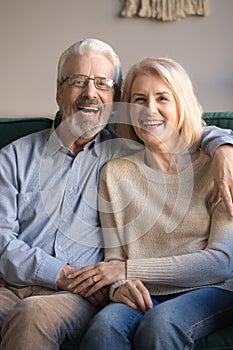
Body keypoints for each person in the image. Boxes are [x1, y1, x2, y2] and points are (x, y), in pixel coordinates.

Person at [0, 39, 232, 350]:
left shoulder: (128, 153)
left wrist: (224, 146)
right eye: (77, 82)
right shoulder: (15, 157)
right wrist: (71, 275)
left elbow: (177, 128)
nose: (90, 93)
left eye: (102, 84)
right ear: (58, 92)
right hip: (10, 284)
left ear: (114, 99)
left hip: (77, 295)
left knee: (34, 315)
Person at [80, 57, 233, 350]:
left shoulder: (219, 166)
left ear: (181, 105)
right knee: (103, 327)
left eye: (162, 98)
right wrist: (117, 285)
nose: (149, 109)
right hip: (145, 289)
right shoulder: (115, 173)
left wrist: (128, 270)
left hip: (213, 287)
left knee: (161, 324)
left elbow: (221, 263)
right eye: (139, 99)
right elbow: (114, 258)